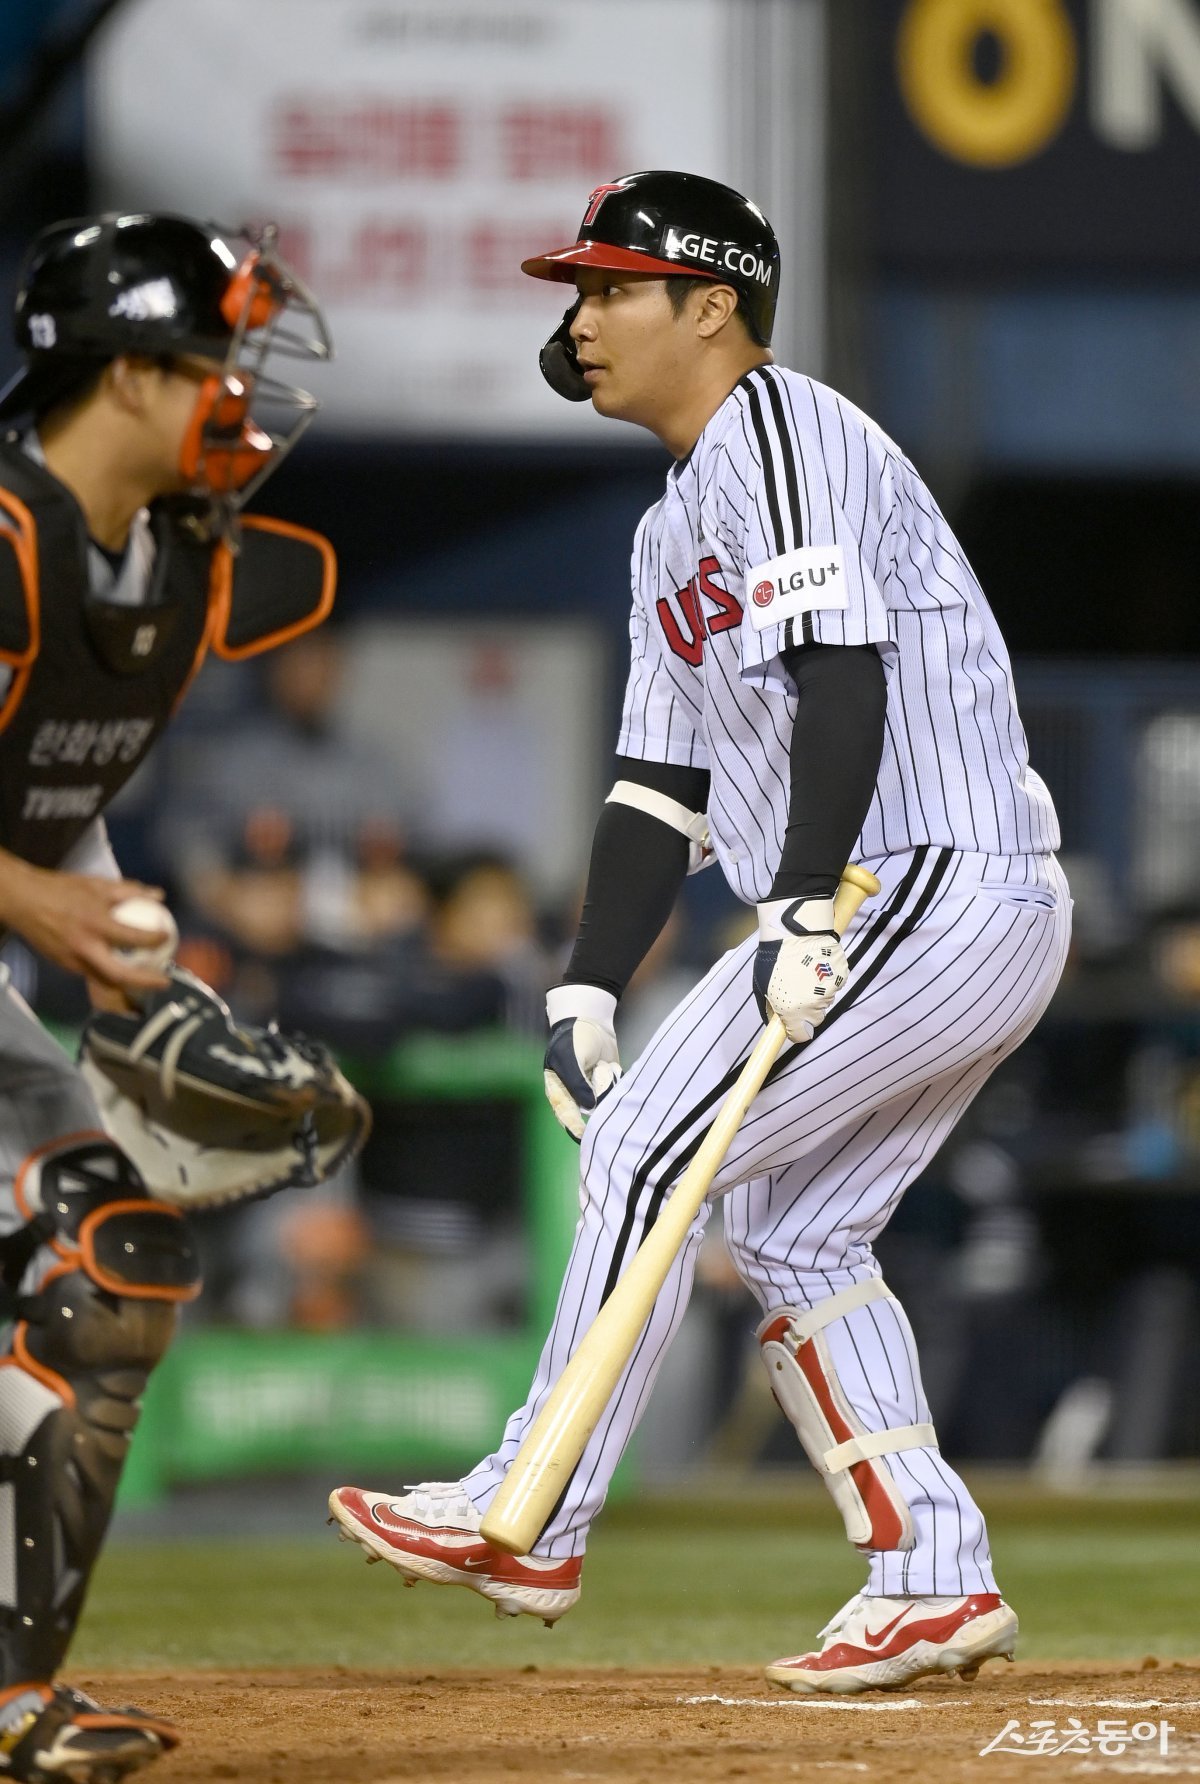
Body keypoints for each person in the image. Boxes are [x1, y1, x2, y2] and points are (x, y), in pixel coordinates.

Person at [330, 171, 1071, 1696]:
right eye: (580, 293)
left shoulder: (784, 431)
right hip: (916, 899)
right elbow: (655, 792)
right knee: (792, 1232)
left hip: (922, 879)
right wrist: (587, 985)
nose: (583, 321)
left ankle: (533, 1512)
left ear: (712, 305)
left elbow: (844, 673)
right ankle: (931, 1573)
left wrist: (796, 902)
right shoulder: (670, 527)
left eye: (612, 288)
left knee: (647, 1151)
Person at [0, 211, 344, 1779]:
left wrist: (128, 959)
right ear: (127, 373)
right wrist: (40, 905)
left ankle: (14, 1706)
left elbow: (47, 791)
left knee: (110, 1268)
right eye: (213, 360)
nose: (237, 394)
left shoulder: (177, 563)